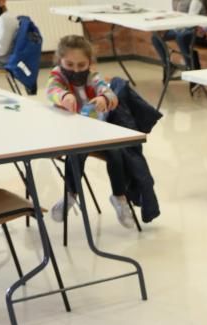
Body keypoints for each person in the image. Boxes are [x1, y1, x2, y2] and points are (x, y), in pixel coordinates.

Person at [45, 36, 138, 230]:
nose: (76, 70)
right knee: (76, 154)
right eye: (69, 64)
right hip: (72, 134)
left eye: (82, 64)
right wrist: (64, 96)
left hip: (96, 132)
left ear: (90, 62)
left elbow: (107, 90)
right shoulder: (57, 77)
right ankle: (70, 195)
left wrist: (105, 97)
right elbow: (51, 90)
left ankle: (119, 197)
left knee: (117, 152)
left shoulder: (91, 76)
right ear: (60, 60)